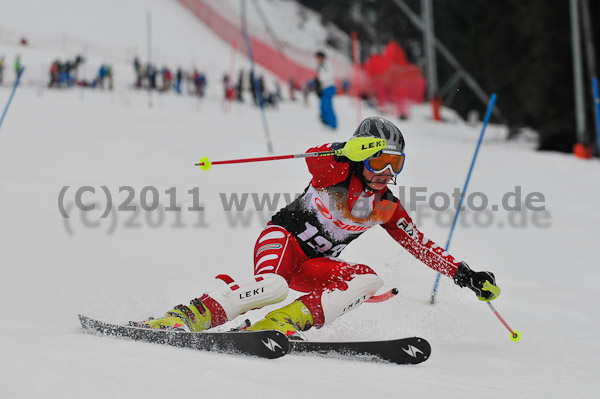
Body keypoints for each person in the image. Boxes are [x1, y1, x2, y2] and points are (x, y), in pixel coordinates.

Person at [137, 117, 500, 336]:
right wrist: (346, 148)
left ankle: (282, 322)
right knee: (274, 284)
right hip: (283, 241)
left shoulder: (386, 206)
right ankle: (187, 316)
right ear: (360, 157)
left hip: (314, 267)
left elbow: (421, 245)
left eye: (396, 164)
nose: (386, 173)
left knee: (369, 279)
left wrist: (465, 275)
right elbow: (315, 156)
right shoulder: (337, 170)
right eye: (379, 161)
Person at [315, 50, 337, 129]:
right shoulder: (321, 65)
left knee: (327, 105)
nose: (318, 59)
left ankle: (332, 124)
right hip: (324, 87)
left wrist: (319, 81)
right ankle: (326, 122)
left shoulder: (326, 64)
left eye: (319, 57)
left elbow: (330, 74)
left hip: (329, 86)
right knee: (323, 105)